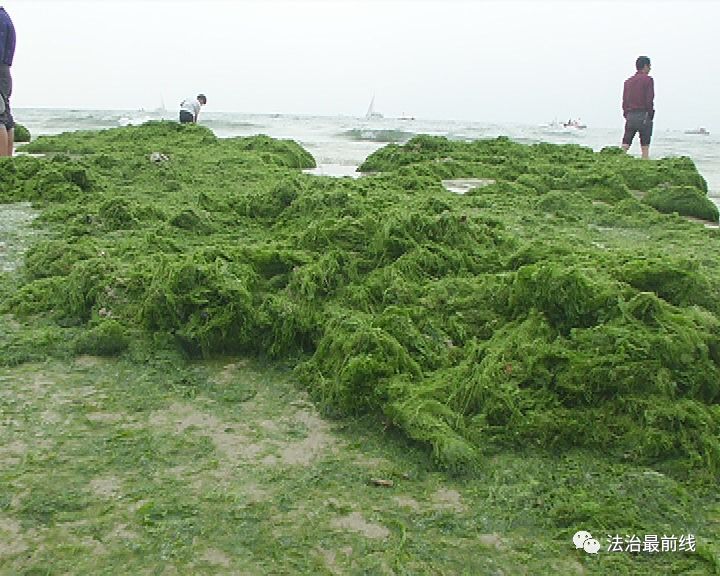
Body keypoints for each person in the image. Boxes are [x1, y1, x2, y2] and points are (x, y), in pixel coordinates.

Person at [622, 56, 654, 159]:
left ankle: (618, 162)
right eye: (649, 66)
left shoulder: (628, 82)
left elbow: (624, 101)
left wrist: (627, 115)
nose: (650, 69)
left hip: (630, 115)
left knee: (625, 144)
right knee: (645, 147)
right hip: (643, 115)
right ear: (645, 66)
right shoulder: (648, 80)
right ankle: (645, 165)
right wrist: (650, 114)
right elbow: (649, 100)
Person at [0, 6, 16, 157]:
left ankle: (3, 163)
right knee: (5, 117)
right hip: (4, 71)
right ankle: (7, 163)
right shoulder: (5, 17)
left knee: (0, 118)